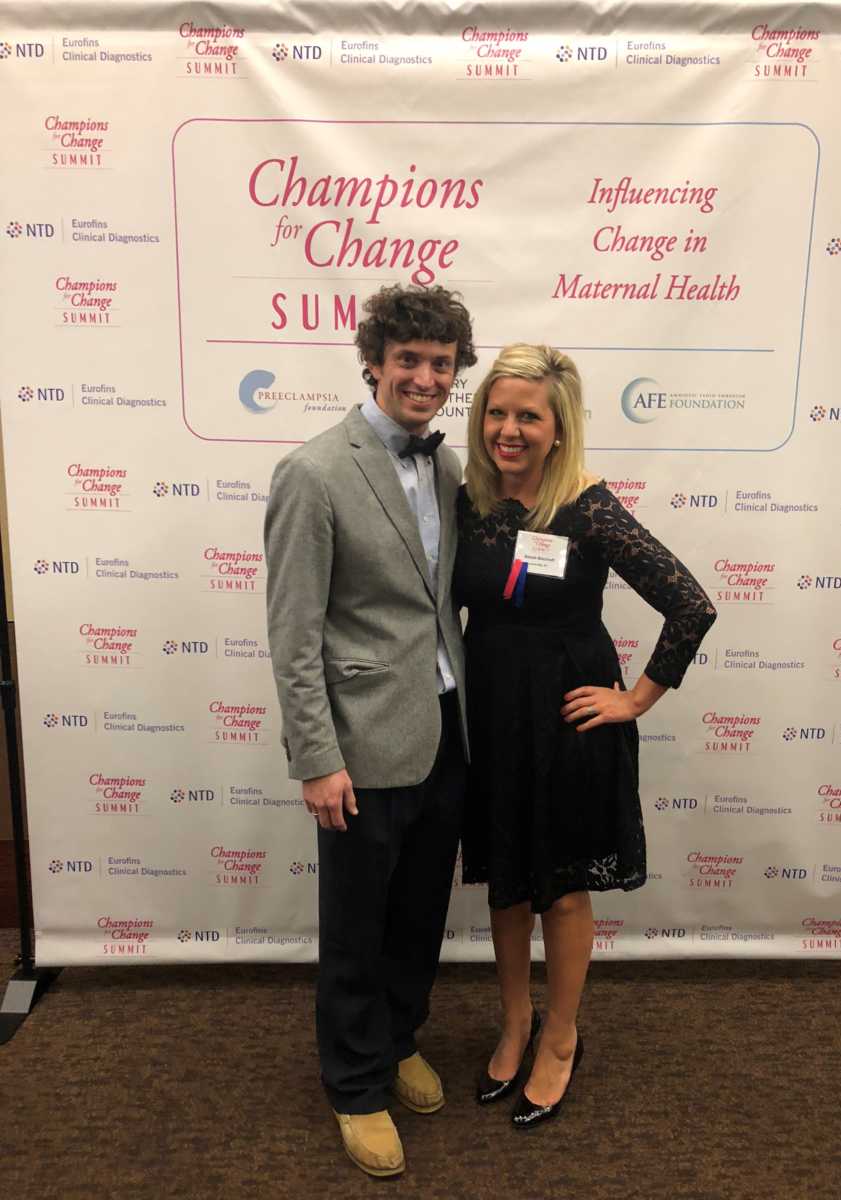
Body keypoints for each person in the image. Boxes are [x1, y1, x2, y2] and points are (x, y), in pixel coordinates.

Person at [454, 344, 716, 1128]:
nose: (509, 429)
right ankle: (515, 1022)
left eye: (527, 416)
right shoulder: (467, 497)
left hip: (568, 717)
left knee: (560, 889)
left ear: (558, 427)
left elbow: (690, 604)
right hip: (493, 710)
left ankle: (561, 1036)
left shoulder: (589, 505)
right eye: (497, 412)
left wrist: (635, 699)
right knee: (507, 879)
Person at [264, 284, 477, 1177]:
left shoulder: (451, 467)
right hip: (359, 745)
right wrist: (317, 760)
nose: (425, 377)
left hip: (442, 728)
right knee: (356, 925)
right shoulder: (314, 472)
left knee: (419, 914)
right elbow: (294, 630)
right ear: (374, 362)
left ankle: (395, 1041)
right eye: (409, 360)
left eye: (441, 364)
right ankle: (354, 1083)